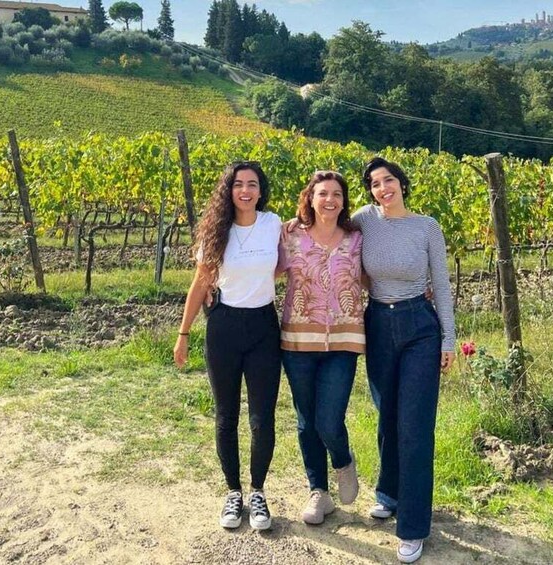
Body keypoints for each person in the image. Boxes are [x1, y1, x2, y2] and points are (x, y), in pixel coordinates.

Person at [353, 157, 456, 564]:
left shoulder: (427, 227)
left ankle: (413, 526)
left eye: (389, 180)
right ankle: (389, 492)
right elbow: (327, 228)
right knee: (387, 416)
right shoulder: (364, 220)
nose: (383, 188)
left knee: (415, 426)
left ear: (402, 183)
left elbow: (441, 286)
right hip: (378, 323)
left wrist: (448, 339)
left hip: (419, 327)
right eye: (375, 184)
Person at [173, 161, 282, 531]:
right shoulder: (216, 232)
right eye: (238, 184)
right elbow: (200, 284)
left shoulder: (273, 225)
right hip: (224, 327)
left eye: (252, 184)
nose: (245, 191)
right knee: (226, 414)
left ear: (261, 190)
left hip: (264, 328)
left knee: (262, 417)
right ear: (229, 190)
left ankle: (258, 492)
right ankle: (233, 491)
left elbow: (286, 263)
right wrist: (184, 334)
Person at [277, 170, 364, 525]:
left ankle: (343, 461)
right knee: (306, 419)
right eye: (323, 193)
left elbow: (373, 275)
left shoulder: (357, 238)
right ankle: (319, 492)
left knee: (328, 418)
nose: (330, 199)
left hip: (344, 340)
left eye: (337, 194)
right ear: (310, 199)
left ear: (344, 202)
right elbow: (265, 269)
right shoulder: (290, 235)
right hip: (298, 340)